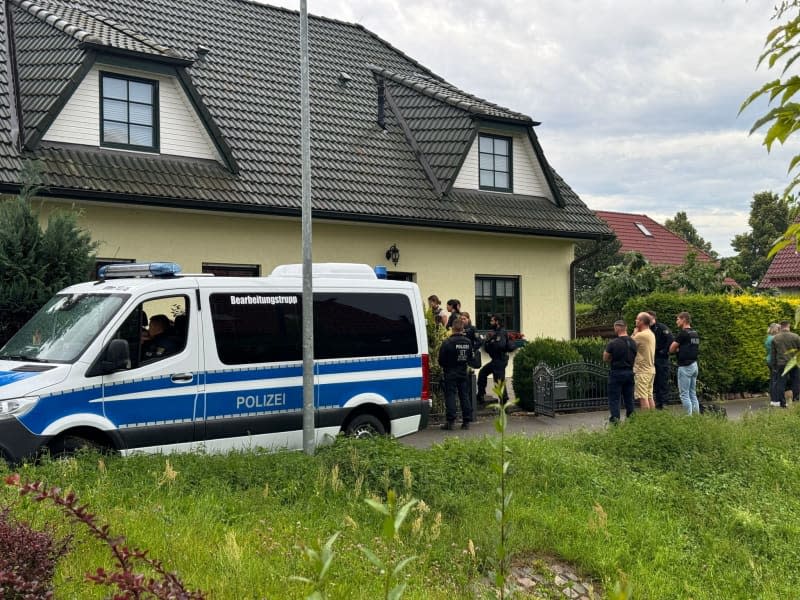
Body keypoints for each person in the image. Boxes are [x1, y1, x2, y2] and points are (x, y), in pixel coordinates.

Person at [437, 318, 474, 430]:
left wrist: (447, 366)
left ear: (452, 328)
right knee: (464, 396)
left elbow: (441, 360)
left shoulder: (447, 342)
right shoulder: (468, 342)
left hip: (450, 372)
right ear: (462, 328)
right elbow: (470, 358)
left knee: (450, 396)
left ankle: (451, 422)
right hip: (463, 372)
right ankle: (466, 421)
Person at [603, 319, 637, 424]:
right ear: (626, 328)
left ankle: (615, 420)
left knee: (614, 398)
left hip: (617, 372)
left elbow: (605, 357)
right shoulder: (633, 342)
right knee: (629, 397)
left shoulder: (613, 343)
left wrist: (612, 359)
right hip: (630, 372)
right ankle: (632, 418)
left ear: (617, 328)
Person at [669, 311, 700, 415]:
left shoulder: (683, 333)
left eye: (678, 319)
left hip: (685, 366)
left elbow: (671, 349)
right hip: (694, 365)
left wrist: (677, 349)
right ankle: (697, 417)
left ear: (683, 320)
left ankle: (688, 418)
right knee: (692, 393)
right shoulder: (694, 333)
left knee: (684, 394)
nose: (676, 321)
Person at [476, 314, 510, 404]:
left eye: (492, 321)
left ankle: (504, 401)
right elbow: (489, 347)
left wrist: (490, 343)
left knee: (498, 381)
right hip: (496, 360)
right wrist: (488, 341)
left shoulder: (501, 332)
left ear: (497, 322)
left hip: (500, 360)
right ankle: (481, 395)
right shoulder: (495, 332)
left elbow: (500, 345)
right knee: (483, 373)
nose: (490, 323)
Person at [770, 320, 800, 407]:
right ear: (788, 326)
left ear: (781, 327)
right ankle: (796, 400)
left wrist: (773, 366)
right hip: (794, 363)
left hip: (781, 363)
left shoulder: (775, 338)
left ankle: (782, 403)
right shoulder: (796, 336)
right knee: (796, 382)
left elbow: (773, 354)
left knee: (781, 383)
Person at [647, 311, 673, 410]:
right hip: (651, 358)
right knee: (655, 382)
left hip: (661, 358)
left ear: (653, 317)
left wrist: (664, 351)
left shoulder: (661, 327)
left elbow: (670, 339)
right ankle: (658, 403)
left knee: (662, 380)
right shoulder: (647, 329)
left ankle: (664, 403)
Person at [632, 312, 656, 410]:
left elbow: (628, 343)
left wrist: (634, 333)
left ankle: (646, 421)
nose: (635, 321)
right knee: (649, 396)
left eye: (637, 319)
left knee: (643, 397)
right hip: (650, 370)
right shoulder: (650, 333)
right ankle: (653, 419)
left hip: (642, 371)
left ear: (642, 321)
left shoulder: (641, 335)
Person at [765, 322, 781, 406]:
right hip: (774, 361)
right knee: (776, 381)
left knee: (773, 380)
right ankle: (775, 400)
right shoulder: (775, 338)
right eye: (779, 329)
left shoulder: (768, 338)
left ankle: (773, 399)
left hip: (769, 360)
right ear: (776, 330)